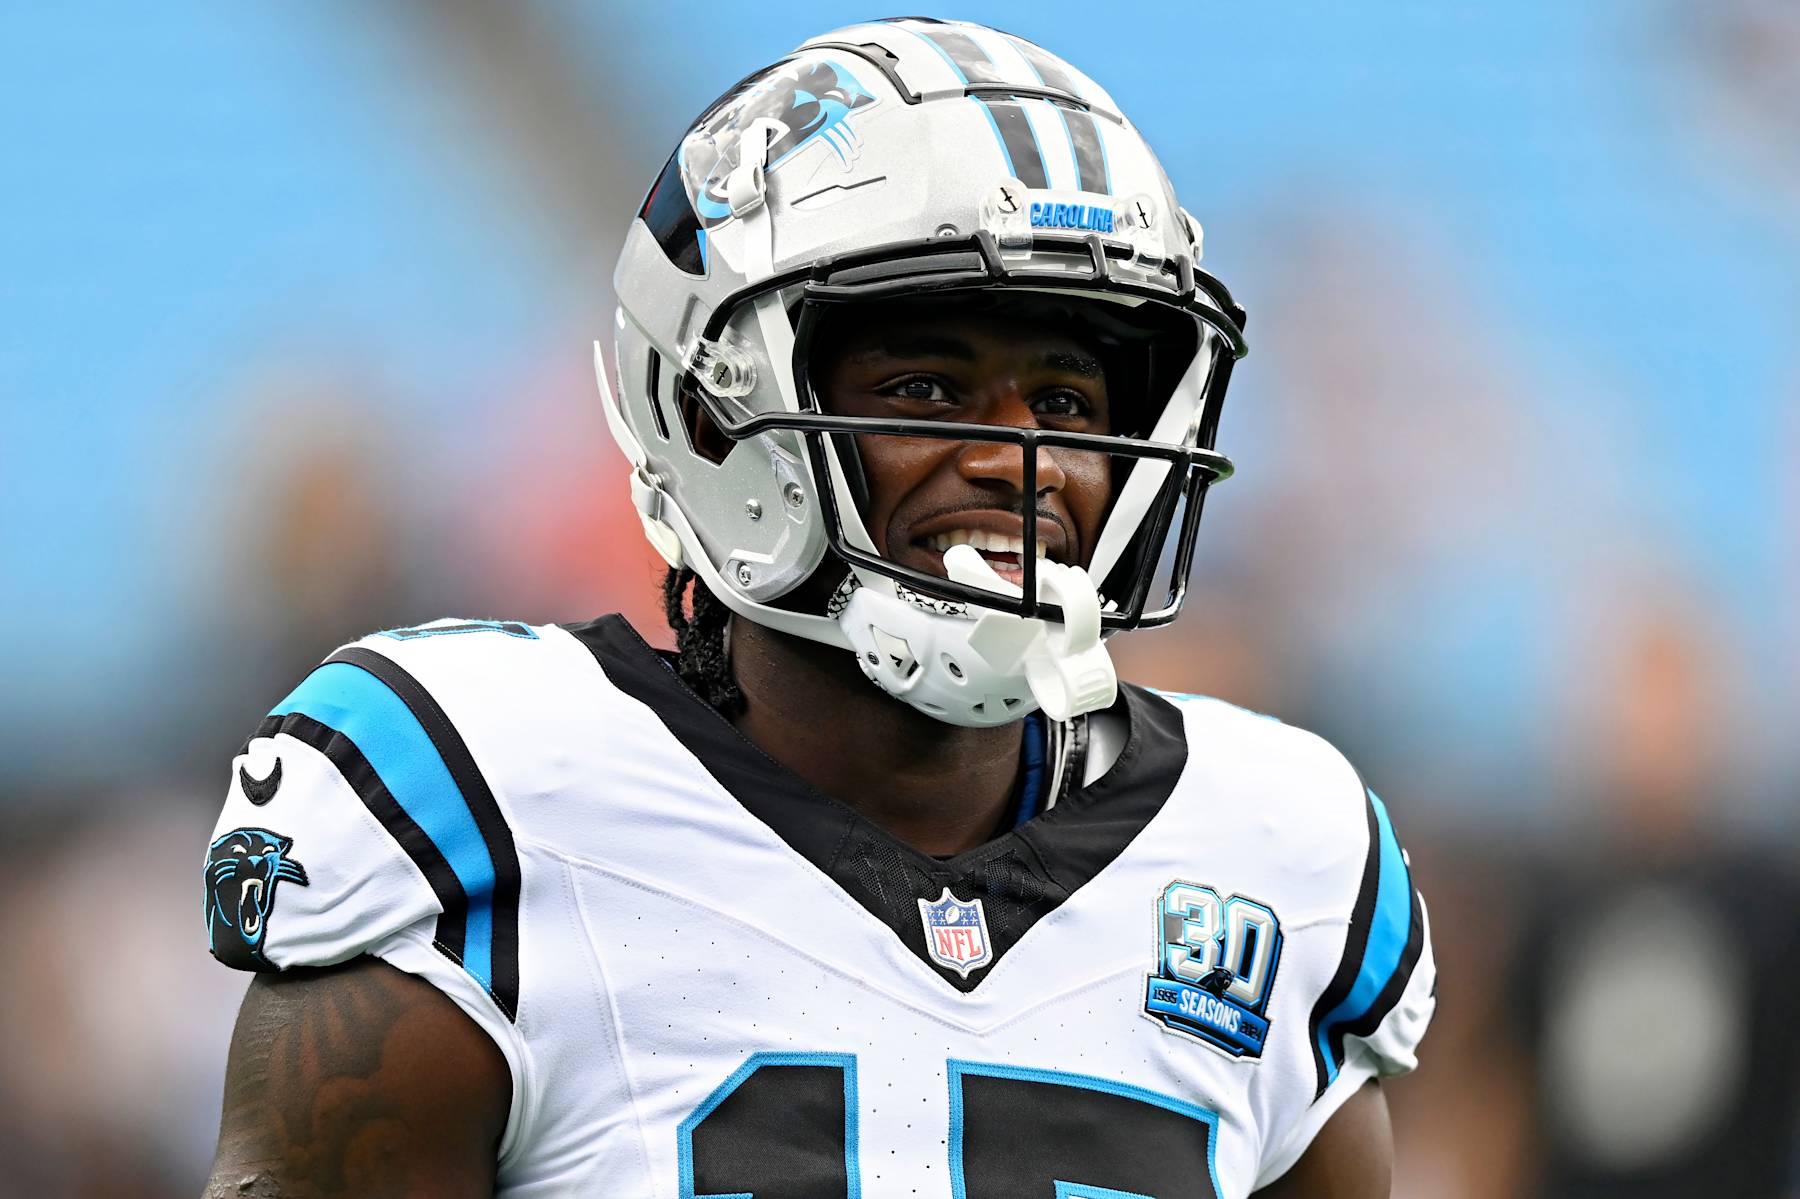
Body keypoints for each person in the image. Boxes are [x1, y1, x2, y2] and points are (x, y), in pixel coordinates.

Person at [202, 18, 1434, 1197]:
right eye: (927, 388)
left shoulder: (1277, 859)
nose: (1026, 460)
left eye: (1066, 401)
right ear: (710, 415)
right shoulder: (489, 801)